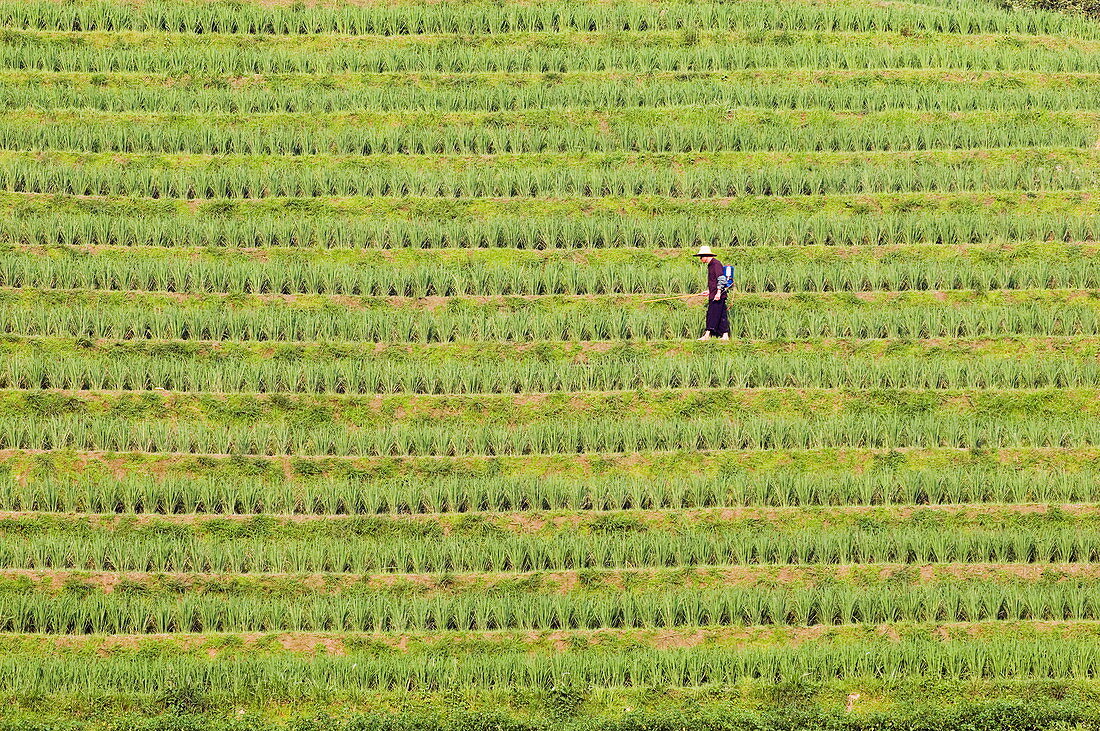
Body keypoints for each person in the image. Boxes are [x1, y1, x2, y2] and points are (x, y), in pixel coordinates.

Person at [694, 245, 730, 341]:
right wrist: (709, 291)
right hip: (714, 293)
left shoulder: (716, 264)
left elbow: (721, 279)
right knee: (721, 314)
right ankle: (725, 335)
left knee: (711, 314)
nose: (700, 259)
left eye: (701, 256)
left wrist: (718, 293)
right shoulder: (710, 265)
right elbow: (714, 281)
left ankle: (707, 335)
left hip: (717, 295)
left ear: (706, 255)